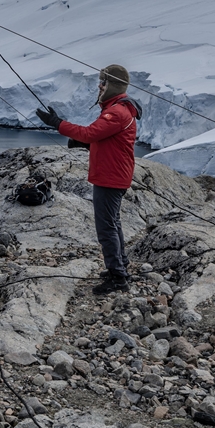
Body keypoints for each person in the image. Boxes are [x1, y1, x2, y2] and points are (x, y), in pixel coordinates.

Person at [36, 64, 142, 294]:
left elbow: (90, 133)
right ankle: (120, 266)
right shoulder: (118, 109)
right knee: (114, 223)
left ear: (112, 86)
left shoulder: (116, 112)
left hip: (110, 177)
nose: (99, 86)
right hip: (115, 175)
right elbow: (101, 138)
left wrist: (57, 123)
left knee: (106, 228)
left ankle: (118, 278)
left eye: (103, 83)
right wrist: (88, 143)